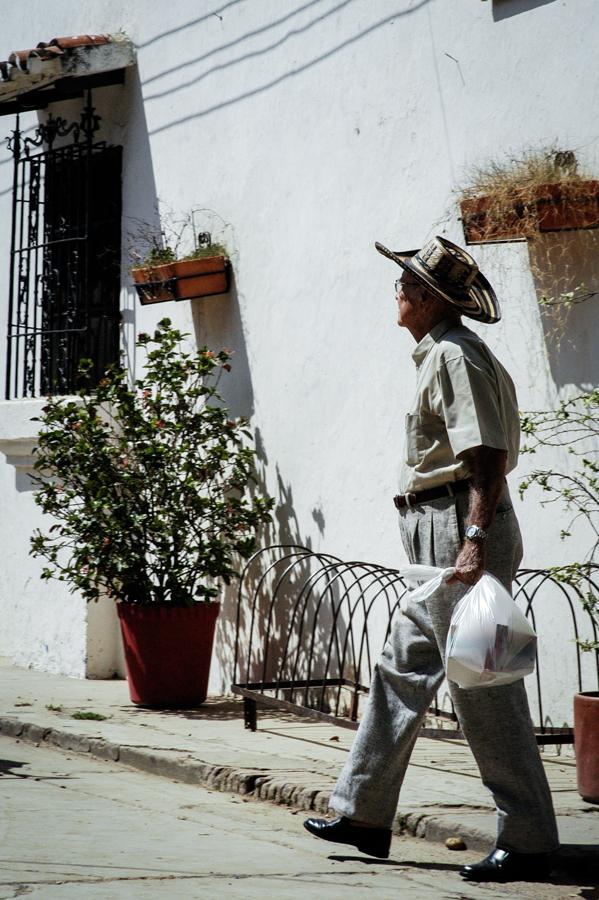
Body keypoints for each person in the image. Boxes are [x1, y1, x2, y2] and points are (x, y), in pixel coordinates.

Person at [304, 236, 559, 883]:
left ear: (424, 298)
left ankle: (527, 839)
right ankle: (363, 813)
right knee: (400, 666)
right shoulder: (439, 355)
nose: (395, 294)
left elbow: (487, 458)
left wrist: (472, 538)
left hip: (458, 529)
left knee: (483, 683)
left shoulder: (454, 355)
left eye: (402, 285)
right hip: (435, 529)